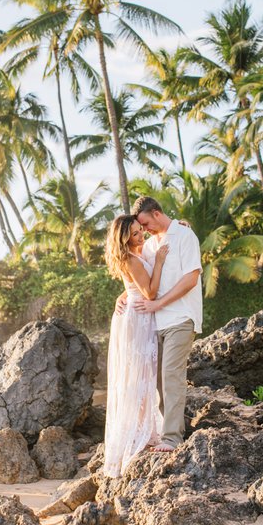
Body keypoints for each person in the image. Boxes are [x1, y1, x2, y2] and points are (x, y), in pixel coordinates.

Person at [131, 195, 203, 453]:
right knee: (159, 381)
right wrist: (124, 297)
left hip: (181, 318)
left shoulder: (185, 237)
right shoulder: (150, 247)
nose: (144, 230)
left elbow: (191, 279)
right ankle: (165, 433)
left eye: (146, 223)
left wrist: (158, 304)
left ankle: (173, 438)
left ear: (157, 213)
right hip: (155, 323)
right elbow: (141, 278)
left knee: (172, 375)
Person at [101, 214, 169, 477]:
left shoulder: (136, 254)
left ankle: (146, 429)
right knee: (138, 377)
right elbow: (149, 292)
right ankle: (140, 432)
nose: (141, 236)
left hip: (138, 314)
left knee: (143, 375)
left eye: (141, 231)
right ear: (124, 239)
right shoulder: (130, 257)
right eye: (135, 234)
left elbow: (133, 285)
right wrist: (160, 262)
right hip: (137, 318)